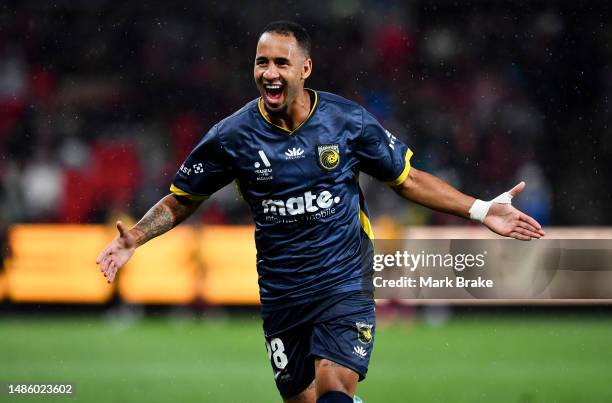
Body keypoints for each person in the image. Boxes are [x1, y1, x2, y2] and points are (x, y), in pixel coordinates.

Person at [96, 21, 545, 403]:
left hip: (344, 281)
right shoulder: (231, 137)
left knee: (335, 389)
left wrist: (481, 209)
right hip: (282, 293)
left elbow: (406, 179)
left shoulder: (347, 122)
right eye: (261, 63)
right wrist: (134, 236)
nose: (269, 73)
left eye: (280, 63)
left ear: (305, 69)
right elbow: (183, 198)